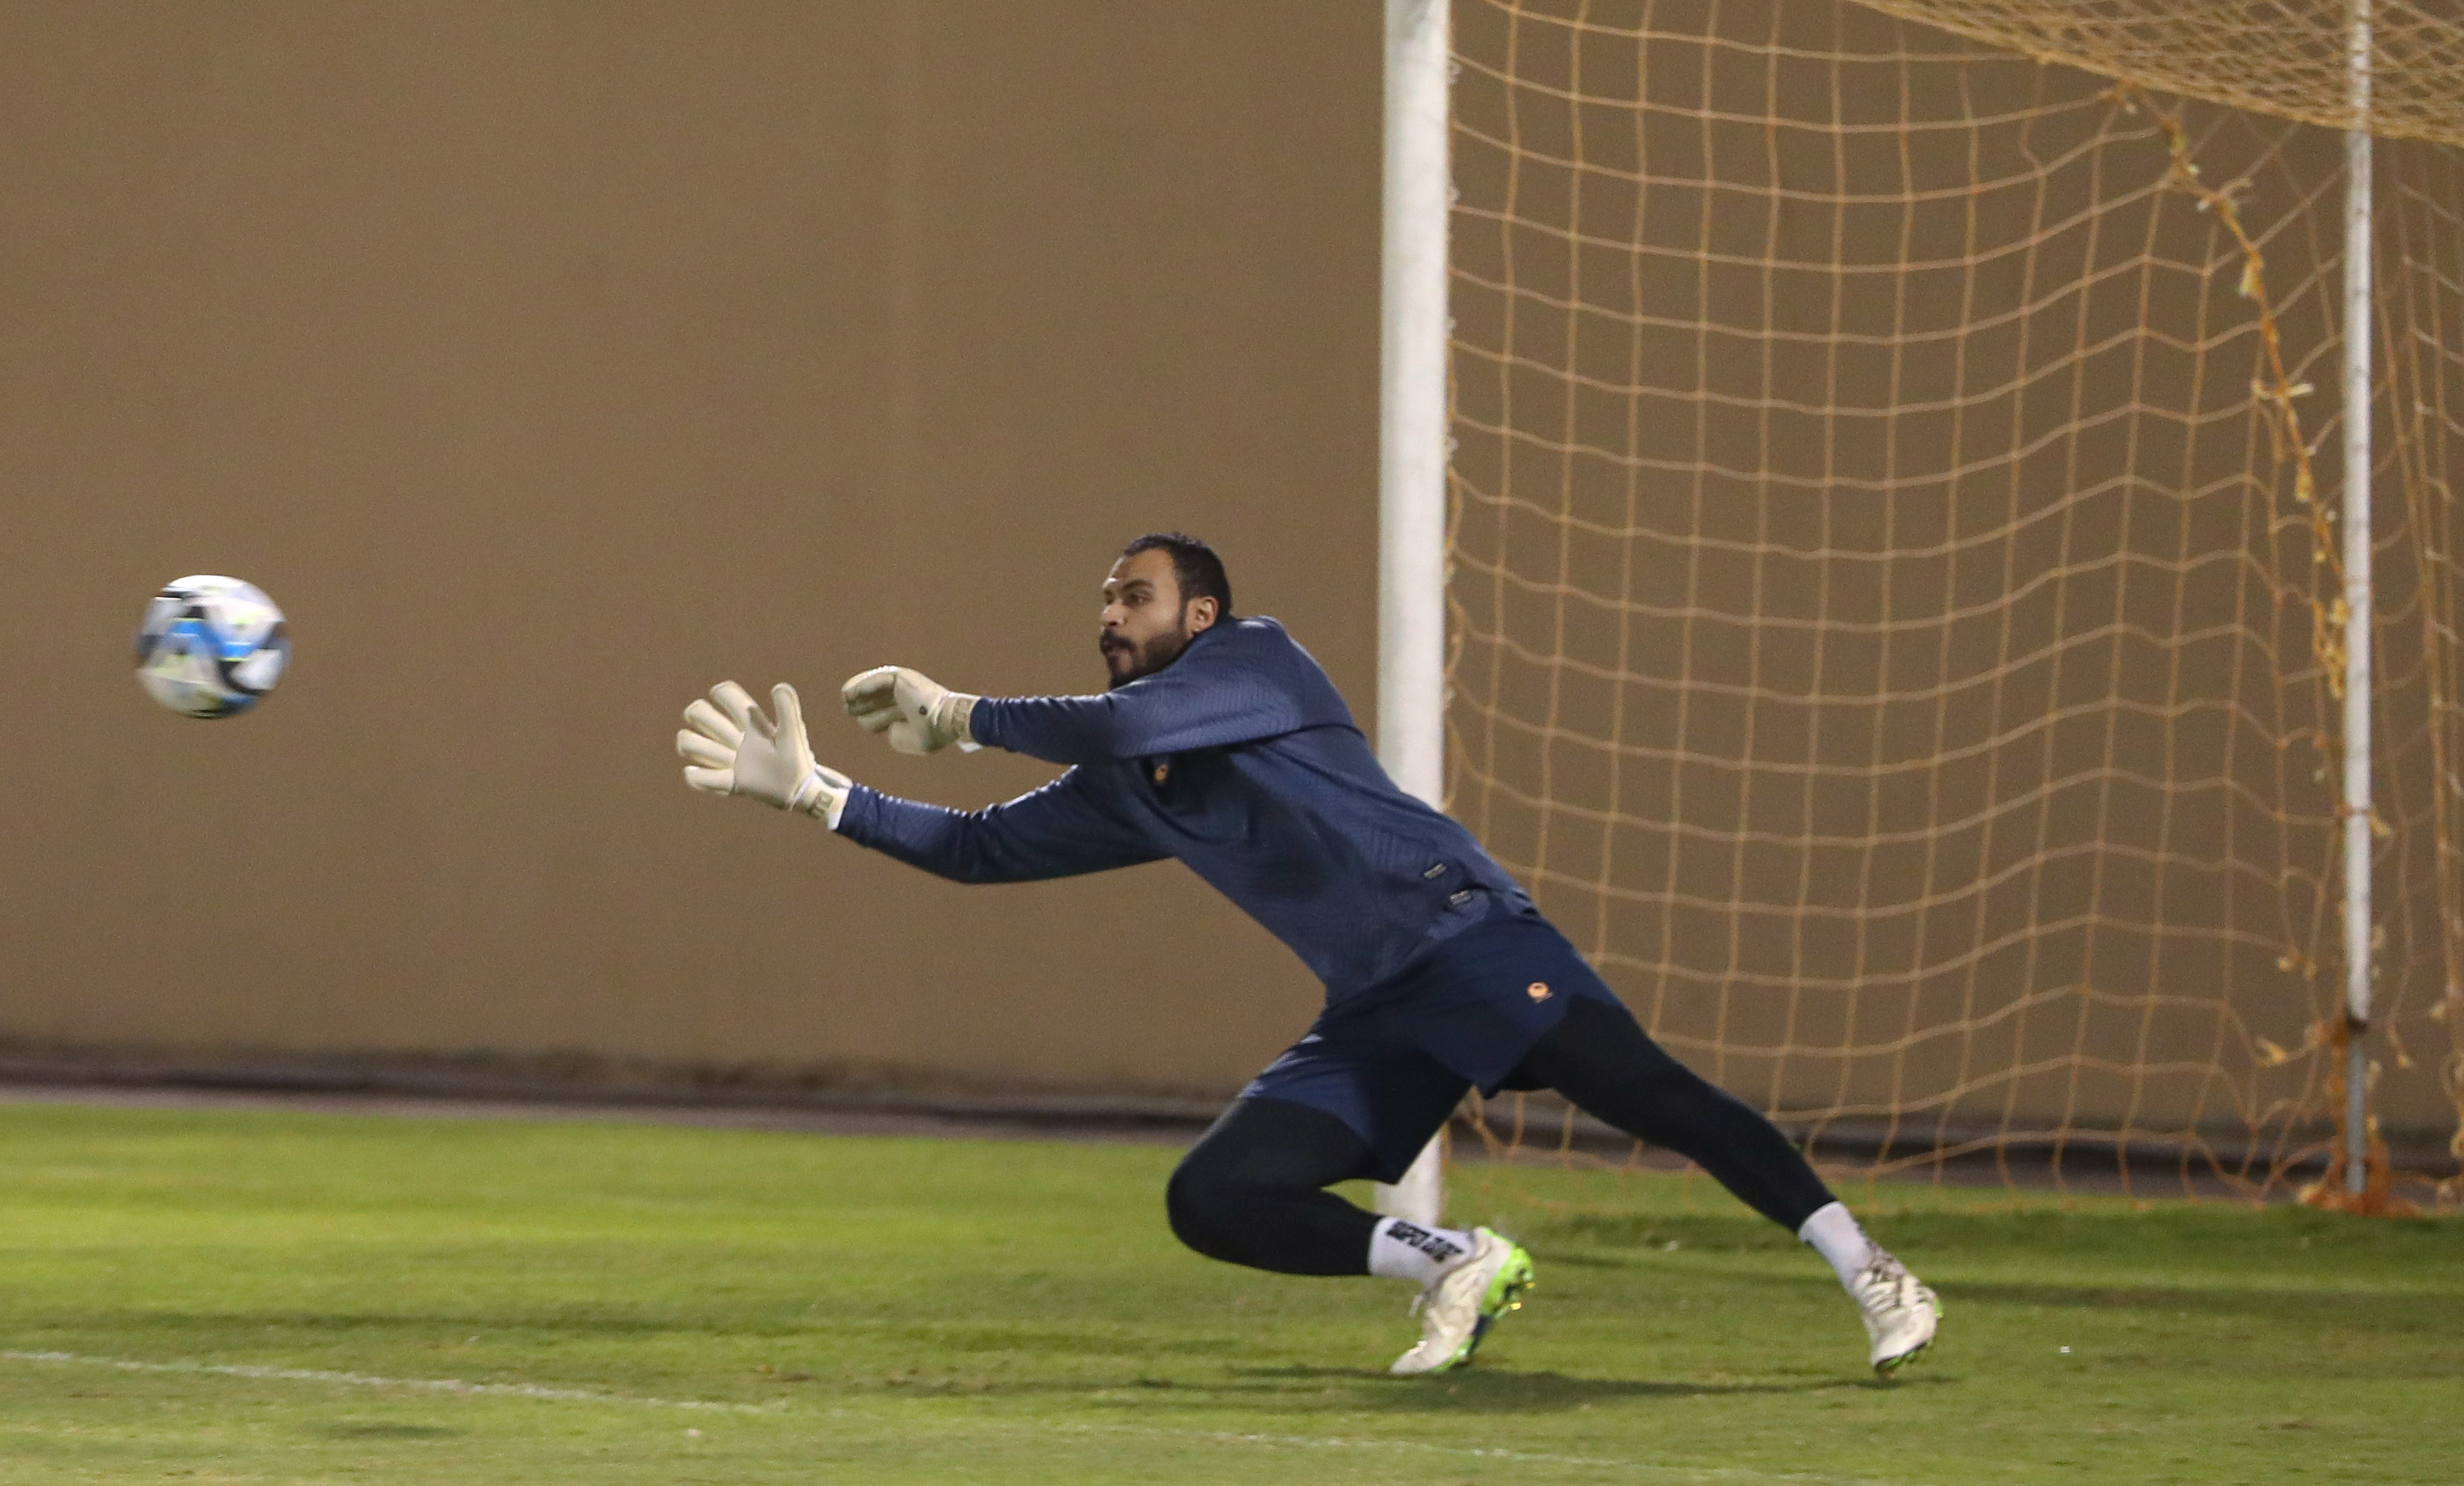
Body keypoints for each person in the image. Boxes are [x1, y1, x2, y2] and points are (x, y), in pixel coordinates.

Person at [676, 532, 1939, 1379]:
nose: (1112, 617)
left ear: (1202, 612)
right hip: (1378, 1009)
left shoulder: (1255, 661)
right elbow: (978, 851)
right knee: (1214, 1198)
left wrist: (962, 715)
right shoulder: (1131, 781)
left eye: (1135, 596)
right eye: (1106, 601)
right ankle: (1457, 1261)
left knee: (1650, 1095)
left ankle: (1870, 1270)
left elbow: (1130, 715)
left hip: (1469, 938)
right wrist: (821, 797)